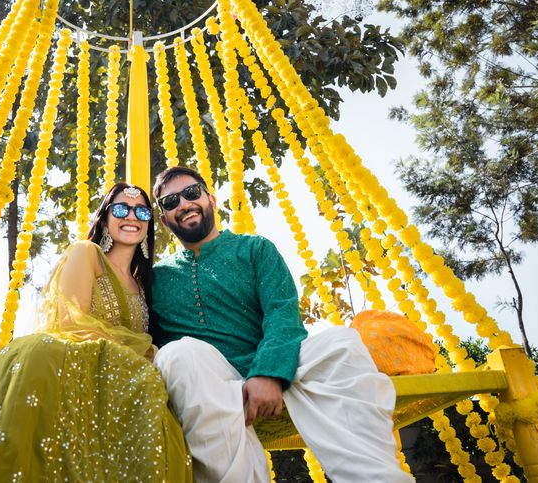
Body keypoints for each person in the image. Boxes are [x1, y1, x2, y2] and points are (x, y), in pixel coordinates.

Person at [0, 182, 192, 482]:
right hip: (78, 356)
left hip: (125, 374)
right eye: (122, 208)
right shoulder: (87, 254)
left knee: (155, 388)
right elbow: (70, 319)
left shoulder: (145, 285)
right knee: (41, 354)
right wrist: (130, 352)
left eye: (142, 212)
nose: (132, 217)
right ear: (105, 216)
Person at [150, 166, 412, 483]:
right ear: (164, 219)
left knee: (341, 343)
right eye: (171, 202)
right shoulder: (156, 278)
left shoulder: (255, 249)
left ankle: (375, 478)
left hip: (274, 361)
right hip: (208, 380)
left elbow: (282, 312)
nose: (184, 204)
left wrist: (268, 373)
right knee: (177, 354)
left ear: (211, 199)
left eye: (192, 193)